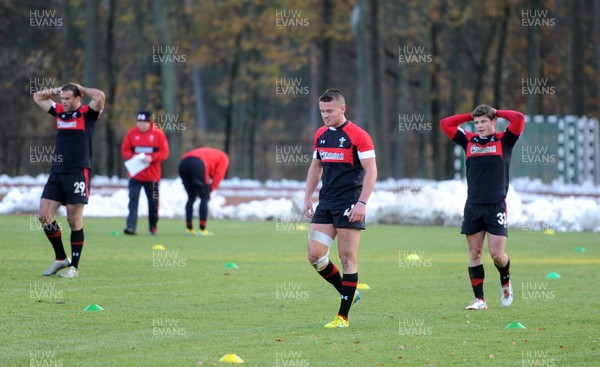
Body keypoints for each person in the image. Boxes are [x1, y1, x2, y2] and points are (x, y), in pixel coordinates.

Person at [303, 89, 377, 328]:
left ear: (342, 109)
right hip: (326, 202)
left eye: (330, 111)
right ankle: (349, 292)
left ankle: (342, 317)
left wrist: (362, 202)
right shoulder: (321, 134)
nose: (325, 115)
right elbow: (315, 168)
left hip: (349, 204)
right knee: (315, 255)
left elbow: (371, 171)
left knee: (347, 258)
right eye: (322, 111)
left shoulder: (359, 135)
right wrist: (307, 198)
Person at [440, 105, 524, 310]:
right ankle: (480, 300)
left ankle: (505, 280)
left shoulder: (505, 139)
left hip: (496, 205)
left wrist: (498, 112)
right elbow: (445, 123)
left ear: (493, 122)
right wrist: (469, 115)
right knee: (475, 252)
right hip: (473, 206)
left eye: (484, 121)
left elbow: (519, 118)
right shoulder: (469, 140)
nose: (479, 126)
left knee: (497, 254)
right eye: (476, 122)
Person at [33, 83, 105, 278]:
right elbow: (38, 97)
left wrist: (82, 88)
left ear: (78, 98)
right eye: (62, 99)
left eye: (67, 99)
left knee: (73, 220)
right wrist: (58, 90)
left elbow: (99, 96)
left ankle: (74, 267)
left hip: (77, 173)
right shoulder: (58, 112)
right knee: (44, 216)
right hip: (57, 172)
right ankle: (60, 258)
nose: (63, 102)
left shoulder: (87, 114)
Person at [121, 111, 170, 235]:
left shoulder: (158, 134)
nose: (141, 125)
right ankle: (131, 227)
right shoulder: (131, 134)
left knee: (153, 202)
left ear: (149, 122)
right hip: (135, 175)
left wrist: (151, 158)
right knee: (133, 200)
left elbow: (164, 152)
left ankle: (153, 227)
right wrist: (133, 156)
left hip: (153, 177)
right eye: (139, 122)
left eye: (144, 123)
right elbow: (125, 150)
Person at [178, 147, 229, 236]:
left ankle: (189, 229)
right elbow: (219, 175)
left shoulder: (211, 154)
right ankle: (202, 230)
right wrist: (209, 190)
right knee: (204, 198)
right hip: (198, 164)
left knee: (191, 198)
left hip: (183, 163)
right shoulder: (224, 158)